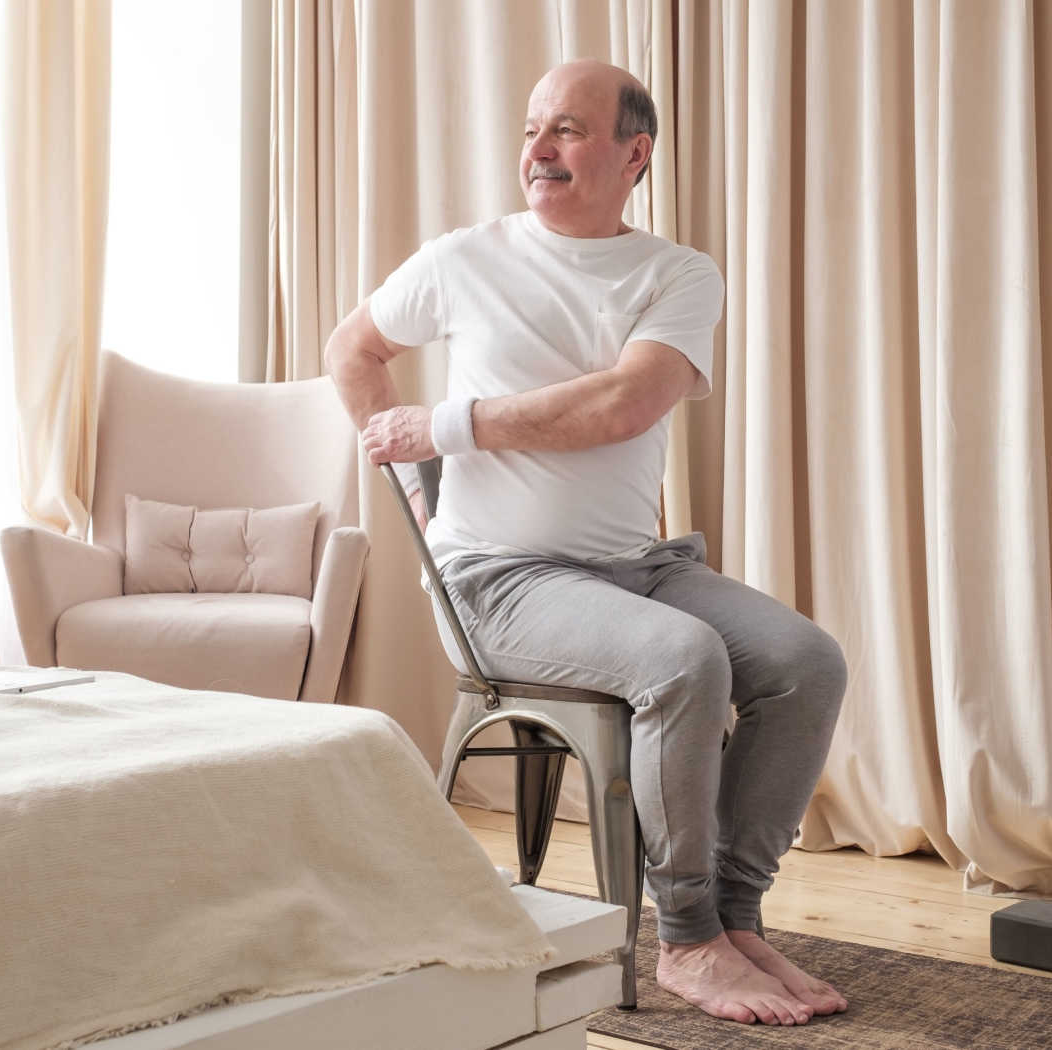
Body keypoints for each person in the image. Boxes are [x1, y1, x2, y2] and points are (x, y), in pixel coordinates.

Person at [325, 59, 849, 1027]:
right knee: (683, 660)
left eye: (566, 130)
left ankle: (736, 916)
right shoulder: (463, 257)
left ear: (632, 152)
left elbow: (623, 403)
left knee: (804, 662)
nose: (537, 151)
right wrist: (413, 489)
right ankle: (688, 939)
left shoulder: (677, 273)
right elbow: (352, 349)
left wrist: (441, 430)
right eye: (532, 130)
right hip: (498, 580)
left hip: (638, 569)